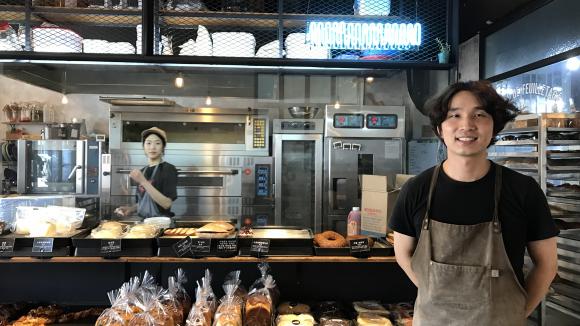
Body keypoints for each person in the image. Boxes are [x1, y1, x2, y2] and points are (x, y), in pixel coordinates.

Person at [388, 80, 558, 325]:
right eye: (455, 115)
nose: (466, 125)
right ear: (439, 128)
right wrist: (437, 293)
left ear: (494, 127)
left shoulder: (523, 190)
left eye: (479, 114)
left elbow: (547, 265)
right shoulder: (417, 189)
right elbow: (403, 253)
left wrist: (516, 313)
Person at [114, 127, 178, 218]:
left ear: (163, 147)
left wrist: (143, 181)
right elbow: (145, 201)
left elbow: (167, 204)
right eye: (148, 143)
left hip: (162, 225)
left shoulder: (168, 169)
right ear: (143, 147)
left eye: (157, 143)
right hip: (145, 224)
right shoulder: (143, 171)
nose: (152, 147)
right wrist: (131, 208)